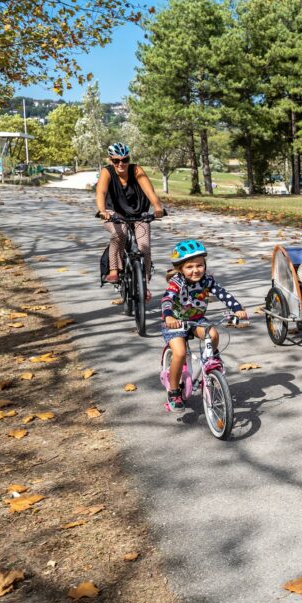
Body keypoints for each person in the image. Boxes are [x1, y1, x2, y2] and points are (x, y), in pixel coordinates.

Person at [160, 240, 247, 412]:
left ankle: (211, 359)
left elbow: (224, 294)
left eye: (199, 265)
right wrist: (168, 317)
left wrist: (237, 309)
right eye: (190, 267)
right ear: (180, 269)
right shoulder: (176, 283)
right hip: (176, 321)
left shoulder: (208, 281)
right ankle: (174, 391)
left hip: (196, 320)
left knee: (213, 334)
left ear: (205, 265)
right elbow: (167, 299)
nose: (195, 270)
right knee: (180, 352)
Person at [94, 143, 165, 300]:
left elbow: (149, 191)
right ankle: (114, 270)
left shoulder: (136, 170)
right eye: (116, 160)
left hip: (138, 213)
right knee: (120, 234)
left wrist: (158, 207)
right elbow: (101, 191)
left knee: (144, 246)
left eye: (125, 160)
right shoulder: (107, 172)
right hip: (113, 212)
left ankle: (144, 285)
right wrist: (102, 211)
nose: (121, 164)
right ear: (111, 160)